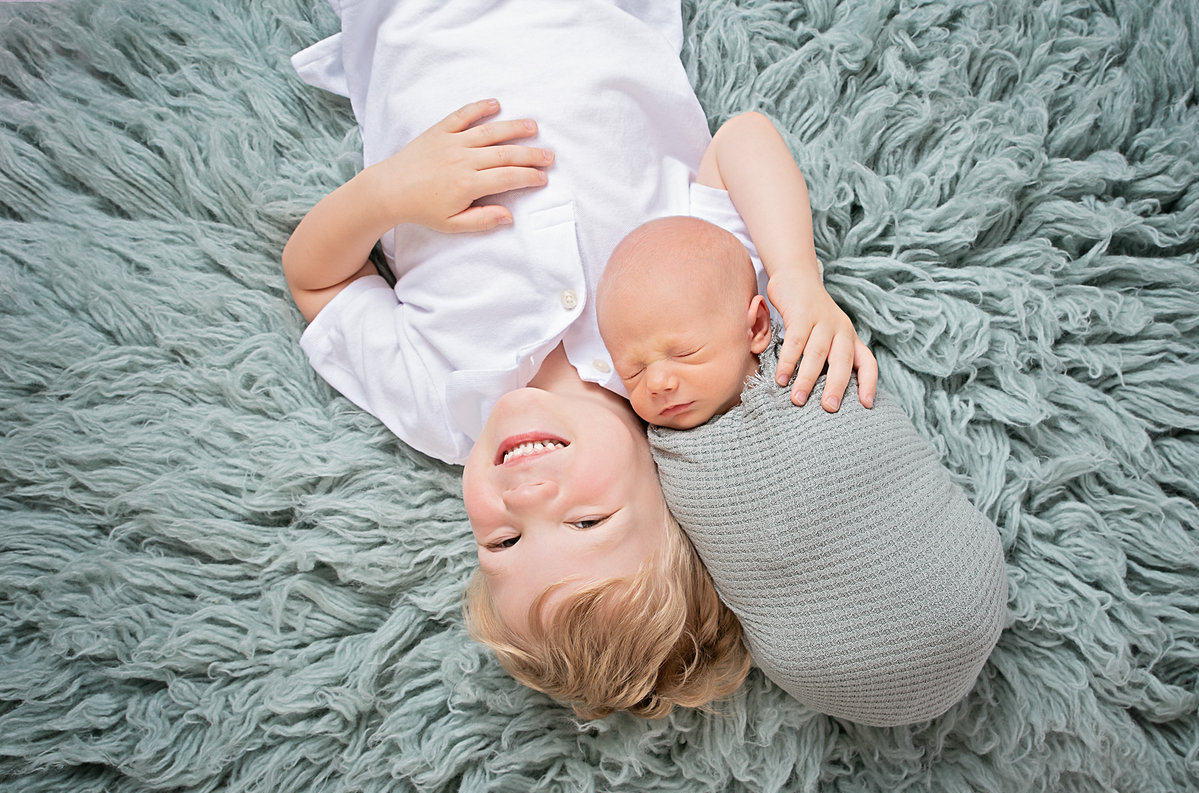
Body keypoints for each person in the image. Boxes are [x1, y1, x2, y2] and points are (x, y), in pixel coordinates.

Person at [281, 0, 875, 718]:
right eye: (585, 523)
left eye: (501, 539)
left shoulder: (438, 403)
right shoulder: (691, 340)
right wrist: (796, 277)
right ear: (669, 498)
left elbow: (318, 279)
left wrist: (387, 193)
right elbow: (743, 142)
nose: (527, 498)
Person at [596, 216, 1009, 726]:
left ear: (756, 327)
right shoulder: (656, 447)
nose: (657, 381)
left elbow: (744, 138)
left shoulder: (803, 350)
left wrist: (797, 277)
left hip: (959, 589)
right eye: (632, 370)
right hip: (823, 666)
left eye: (683, 353)